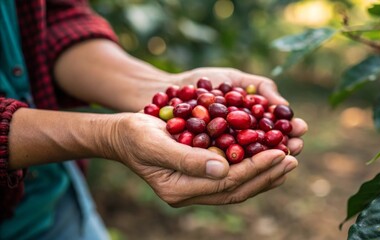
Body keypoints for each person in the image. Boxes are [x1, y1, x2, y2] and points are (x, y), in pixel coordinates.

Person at [0, 1, 308, 239]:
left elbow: (54, 19)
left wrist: (157, 87)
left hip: (51, 200)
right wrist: (108, 136)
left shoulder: (205, 109)